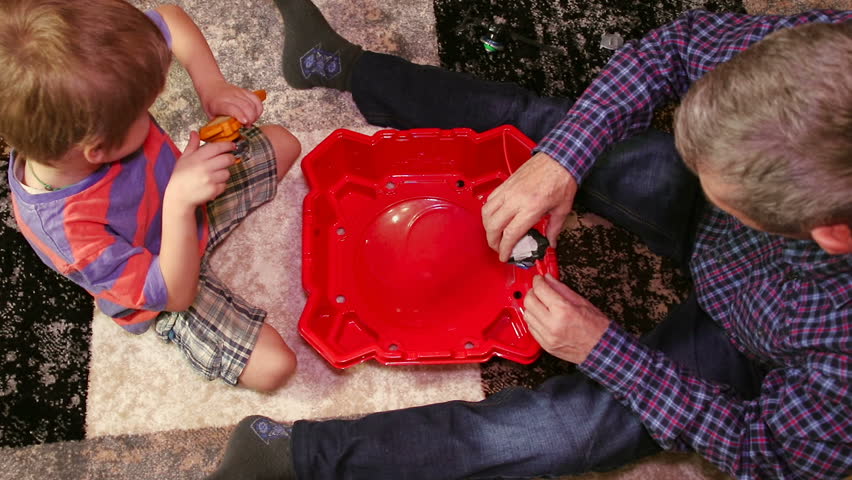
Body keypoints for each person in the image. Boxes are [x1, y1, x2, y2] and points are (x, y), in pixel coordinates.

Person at [209, 0, 851, 478]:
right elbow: (675, 49)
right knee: (541, 132)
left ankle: (295, 459)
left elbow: (765, 452)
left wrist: (605, 351)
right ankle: (340, 65)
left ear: (830, 234)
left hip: (748, 343)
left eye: (718, 186)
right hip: (742, 240)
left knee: (569, 432)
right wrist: (562, 160)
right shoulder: (824, 54)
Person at [0, 0, 302, 393]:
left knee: (284, 143)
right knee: (274, 367)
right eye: (142, 112)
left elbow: (171, 18)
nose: (150, 113)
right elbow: (176, 295)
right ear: (99, 150)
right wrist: (178, 205)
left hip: (187, 195)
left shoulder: (94, 69)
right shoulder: (68, 233)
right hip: (164, 276)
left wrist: (212, 86)